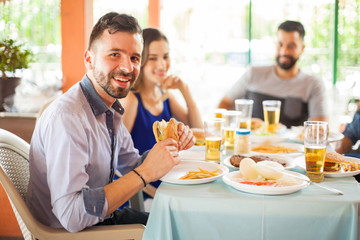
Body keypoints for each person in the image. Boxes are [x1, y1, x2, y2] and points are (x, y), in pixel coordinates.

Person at [26, 12, 195, 233]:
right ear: (89, 59)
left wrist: (169, 147)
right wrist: (145, 173)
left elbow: (132, 164)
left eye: (134, 58)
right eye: (115, 54)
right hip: (72, 235)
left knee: (184, 223)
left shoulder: (109, 109)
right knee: (182, 231)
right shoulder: (68, 118)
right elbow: (72, 215)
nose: (127, 68)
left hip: (103, 220)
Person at [218, 20, 328, 128]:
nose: (284, 52)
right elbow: (224, 104)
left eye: (291, 46)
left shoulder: (313, 84)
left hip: (292, 146)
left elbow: (320, 129)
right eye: (280, 44)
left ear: (302, 49)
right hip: (251, 143)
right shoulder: (253, 73)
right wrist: (239, 124)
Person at [120, 28, 203, 155]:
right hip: (140, 173)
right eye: (153, 58)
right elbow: (117, 156)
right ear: (139, 60)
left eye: (165, 57)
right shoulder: (131, 100)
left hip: (165, 173)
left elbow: (198, 130)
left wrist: (184, 89)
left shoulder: (165, 96)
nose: (162, 65)